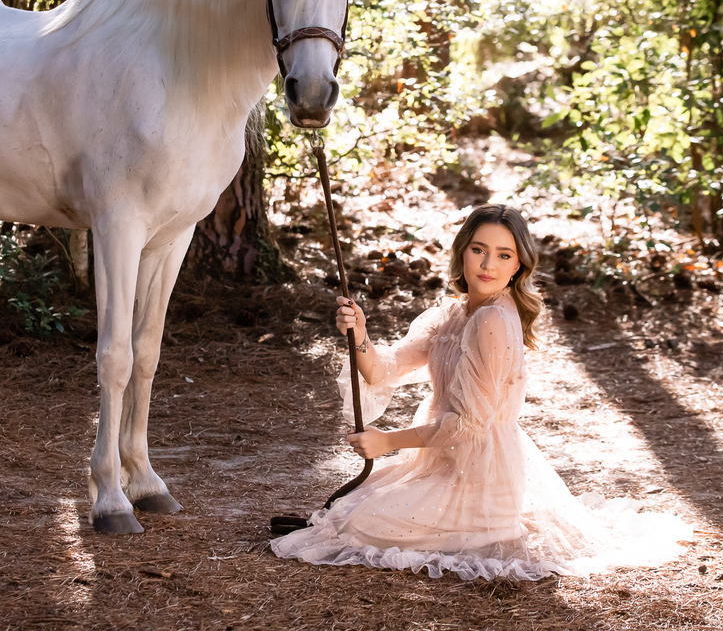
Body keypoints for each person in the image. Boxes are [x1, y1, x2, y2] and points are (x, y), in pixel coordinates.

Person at [271, 204, 691, 580]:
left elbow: (469, 424)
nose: (488, 264)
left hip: (479, 470)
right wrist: (359, 331)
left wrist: (386, 442)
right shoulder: (453, 312)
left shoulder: (493, 320)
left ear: (518, 266)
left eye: (504, 255)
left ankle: (487, 525)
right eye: (479, 249)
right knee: (353, 512)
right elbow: (383, 371)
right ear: (462, 251)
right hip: (440, 458)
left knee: (363, 524)